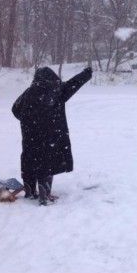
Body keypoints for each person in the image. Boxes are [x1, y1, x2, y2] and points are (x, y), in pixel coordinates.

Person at [12, 66, 93, 205]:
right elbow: (72, 85)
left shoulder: (28, 92)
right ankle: (44, 192)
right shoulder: (56, 91)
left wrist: (28, 120)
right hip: (49, 136)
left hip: (29, 135)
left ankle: (30, 190)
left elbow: (15, 109)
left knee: (29, 159)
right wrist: (86, 74)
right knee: (47, 161)